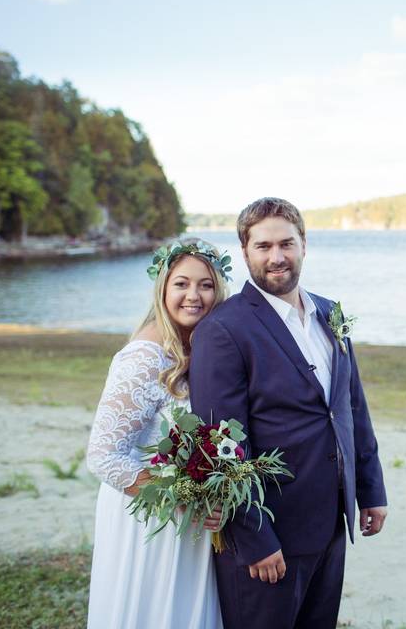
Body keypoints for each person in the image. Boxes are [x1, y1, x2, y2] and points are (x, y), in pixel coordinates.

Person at [190, 197, 388, 629]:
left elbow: (351, 406)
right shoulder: (223, 330)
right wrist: (253, 537)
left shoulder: (329, 313)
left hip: (331, 524)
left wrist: (370, 488)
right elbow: (220, 446)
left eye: (286, 243)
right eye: (263, 247)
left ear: (304, 244)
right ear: (245, 252)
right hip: (271, 534)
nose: (276, 257)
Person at [86, 237, 230, 629]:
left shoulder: (202, 348)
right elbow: (103, 455)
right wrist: (184, 501)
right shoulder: (144, 356)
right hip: (149, 517)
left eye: (205, 285)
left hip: (192, 523)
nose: (193, 296)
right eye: (182, 283)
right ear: (163, 287)